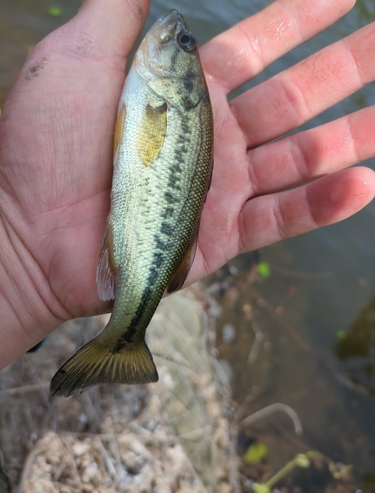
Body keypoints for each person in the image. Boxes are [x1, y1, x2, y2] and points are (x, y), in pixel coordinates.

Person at [0, 0, 374, 369]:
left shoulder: (162, 102)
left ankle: (125, 336)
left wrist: (19, 273)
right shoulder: (164, 101)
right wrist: (19, 264)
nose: (177, 32)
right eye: (185, 44)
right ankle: (126, 336)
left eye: (185, 44)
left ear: (184, 81)